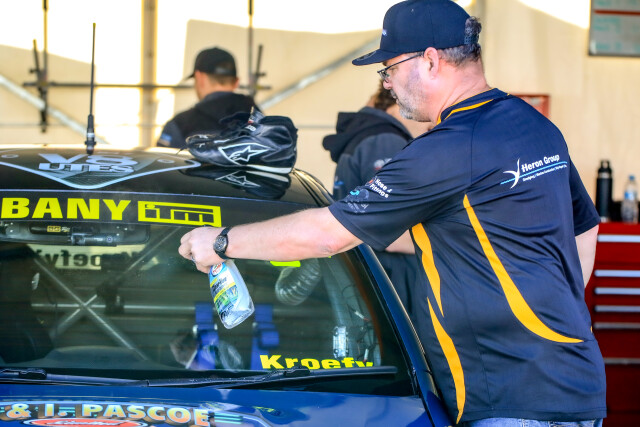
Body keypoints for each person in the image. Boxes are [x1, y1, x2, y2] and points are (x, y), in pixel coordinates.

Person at [179, 1, 606, 425]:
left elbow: (328, 235)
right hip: (576, 382)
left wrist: (221, 241)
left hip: (512, 400)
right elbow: (584, 228)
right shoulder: (532, 125)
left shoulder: (448, 148)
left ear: (431, 61)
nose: (388, 84)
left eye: (390, 69)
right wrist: (553, 324)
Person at [322, 82, 432, 315]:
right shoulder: (386, 141)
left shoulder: (368, 137)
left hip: (373, 276)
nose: (432, 124)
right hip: (392, 281)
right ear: (400, 103)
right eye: (429, 115)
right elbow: (388, 231)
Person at [157, 47, 258, 149]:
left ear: (199, 78)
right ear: (236, 82)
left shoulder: (179, 125)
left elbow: (162, 157)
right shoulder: (259, 120)